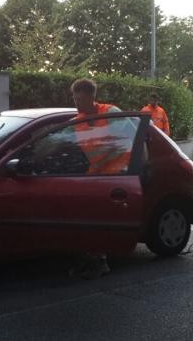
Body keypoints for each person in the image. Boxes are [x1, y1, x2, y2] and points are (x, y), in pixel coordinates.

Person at [68, 78, 118, 279]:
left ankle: (99, 261)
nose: (76, 103)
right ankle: (91, 258)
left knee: (96, 218)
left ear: (91, 97)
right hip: (96, 175)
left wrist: (143, 167)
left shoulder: (111, 113)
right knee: (84, 217)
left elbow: (132, 140)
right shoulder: (77, 121)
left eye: (79, 98)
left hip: (118, 174)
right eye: (74, 98)